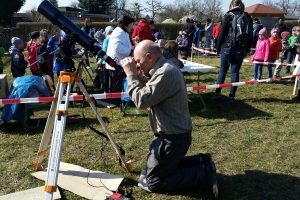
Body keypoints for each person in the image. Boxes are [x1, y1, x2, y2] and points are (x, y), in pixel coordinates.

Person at [120, 40, 218, 199]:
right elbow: (153, 87)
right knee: (160, 168)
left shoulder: (166, 72)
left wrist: (131, 75)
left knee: (154, 182)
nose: (137, 65)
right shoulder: (163, 68)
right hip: (173, 135)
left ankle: (203, 172)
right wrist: (137, 75)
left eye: (138, 61)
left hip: (173, 139)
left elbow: (142, 101)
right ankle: (201, 160)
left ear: (149, 57)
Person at [213, 0, 253, 103]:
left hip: (228, 46)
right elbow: (250, 34)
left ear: (231, 5)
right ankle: (232, 96)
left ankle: (217, 93)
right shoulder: (247, 16)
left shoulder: (228, 15)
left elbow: (222, 33)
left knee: (223, 70)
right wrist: (247, 49)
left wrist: (217, 48)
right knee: (235, 71)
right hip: (241, 47)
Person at [106, 15, 135, 106]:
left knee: (116, 83)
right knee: (116, 83)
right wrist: (130, 52)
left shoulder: (121, 31)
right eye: (130, 25)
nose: (132, 27)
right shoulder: (119, 32)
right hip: (116, 62)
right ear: (126, 25)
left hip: (116, 61)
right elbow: (117, 47)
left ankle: (116, 100)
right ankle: (116, 102)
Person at [101, 26, 114, 93]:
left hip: (105, 61)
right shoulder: (114, 39)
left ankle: (106, 91)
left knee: (105, 77)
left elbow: (104, 51)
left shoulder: (106, 40)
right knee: (112, 78)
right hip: (112, 61)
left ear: (107, 32)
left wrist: (100, 61)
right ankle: (113, 91)